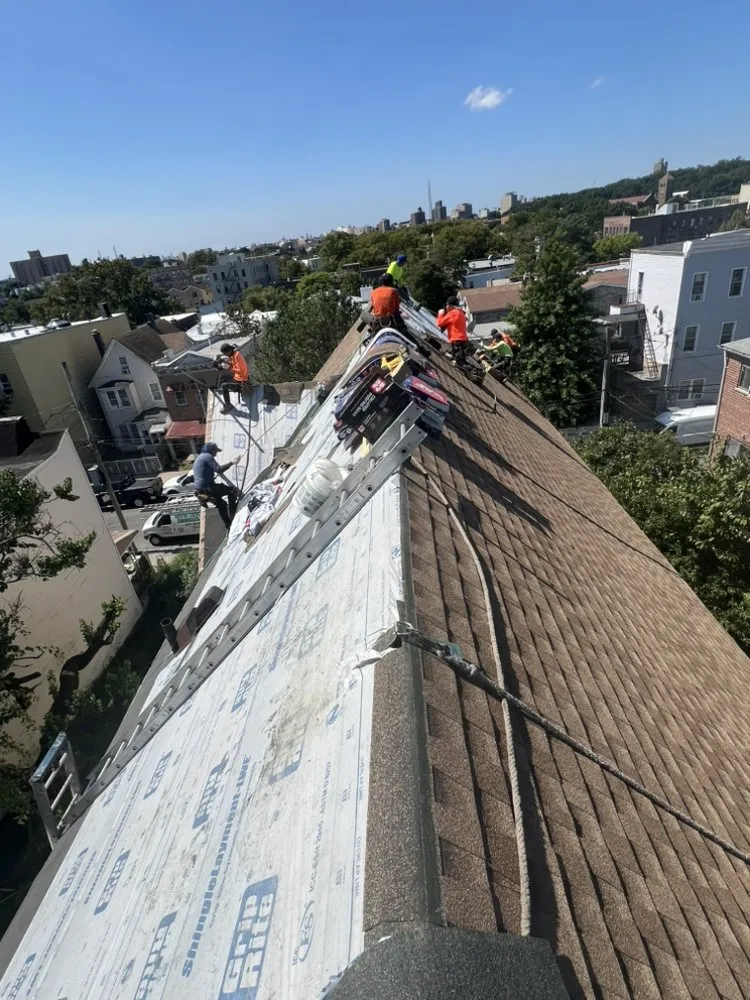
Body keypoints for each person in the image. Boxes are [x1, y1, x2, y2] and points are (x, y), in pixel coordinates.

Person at [192, 442, 241, 530]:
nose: (216, 454)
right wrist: (232, 462)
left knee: (222, 504)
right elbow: (218, 469)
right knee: (232, 491)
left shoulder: (200, 458)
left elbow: (202, 474)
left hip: (201, 490)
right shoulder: (207, 456)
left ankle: (229, 525)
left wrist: (210, 477)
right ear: (211, 450)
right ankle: (234, 514)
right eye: (216, 451)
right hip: (208, 488)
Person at [217, 343, 249, 413]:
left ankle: (228, 405)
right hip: (239, 380)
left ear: (229, 351)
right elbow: (234, 365)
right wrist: (226, 362)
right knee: (223, 380)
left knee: (224, 386)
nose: (225, 355)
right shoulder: (234, 355)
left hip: (242, 384)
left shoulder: (237, 356)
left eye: (225, 353)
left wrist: (229, 368)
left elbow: (241, 371)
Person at [436, 296, 469, 365]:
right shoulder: (461, 312)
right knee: (457, 358)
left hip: (457, 341)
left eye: (447, 305)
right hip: (463, 340)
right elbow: (452, 323)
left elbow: (439, 323)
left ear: (451, 305)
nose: (446, 306)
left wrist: (440, 313)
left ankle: (477, 373)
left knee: (460, 362)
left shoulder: (453, 313)